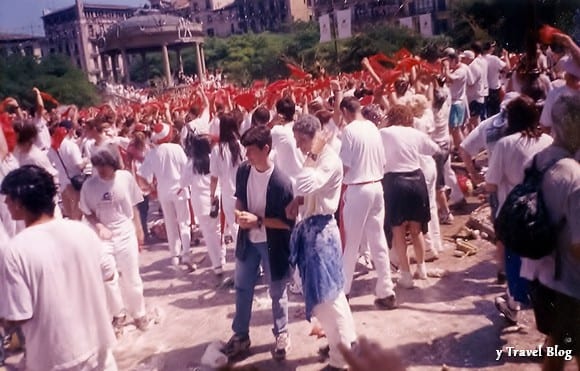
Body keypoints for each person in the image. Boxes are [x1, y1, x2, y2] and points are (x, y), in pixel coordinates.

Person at [0, 165, 117, 371]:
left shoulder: (16, 250)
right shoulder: (82, 231)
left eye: (8, 198)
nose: (5, 203)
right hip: (100, 350)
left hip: (56, 358)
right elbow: (108, 273)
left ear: (20, 203)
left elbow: (20, 314)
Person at [288, 115, 357, 371]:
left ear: (315, 137)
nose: (298, 146)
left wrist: (313, 153)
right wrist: (299, 201)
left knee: (328, 301)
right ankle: (347, 344)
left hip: (321, 234)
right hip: (316, 230)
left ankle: (341, 361)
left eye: (302, 140)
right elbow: (307, 191)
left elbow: (305, 182)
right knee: (333, 297)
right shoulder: (320, 158)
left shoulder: (327, 160)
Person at [222, 125, 294, 361]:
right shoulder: (244, 171)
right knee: (242, 288)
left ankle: (282, 333)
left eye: (251, 151)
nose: (247, 156)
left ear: (266, 149)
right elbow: (240, 198)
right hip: (248, 241)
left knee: (277, 290)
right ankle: (241, 335)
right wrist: (238, 213)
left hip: (272, 244)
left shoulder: (282, 182)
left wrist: (258, 221)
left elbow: (287, 224)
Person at [485, 95, 554, 324]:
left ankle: (514, 304)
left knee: (514, 256)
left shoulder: (505, 144)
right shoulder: (547, 141)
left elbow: (492, 183)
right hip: (545, 206)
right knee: (544, 258)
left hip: (514, 209)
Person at [525, 93, 580, 371]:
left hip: (541, 275)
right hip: (571, 283)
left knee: (558, 347)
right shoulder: (576, 176)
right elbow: (577, 245)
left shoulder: (538, 161)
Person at [80, 145, 149, 335]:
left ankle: (139, 313)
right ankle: (118, 314)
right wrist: (99, 226)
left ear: (112, 164)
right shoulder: (89, 185)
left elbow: (134, 206)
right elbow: (86, 211)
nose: (101, 169)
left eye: (104, 165)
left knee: (131, 276)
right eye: (97, 165)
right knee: (108, 276)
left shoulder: (125, 178)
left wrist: (139, 229)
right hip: (102, 236)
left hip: (125, 232)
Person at [337, 96, 396, 309]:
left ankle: (343, 292)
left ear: (345, 111)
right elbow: (382, 160)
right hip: (376, 185)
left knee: (351, 243)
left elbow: (344, 165)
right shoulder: (372, 127)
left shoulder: (349, 130)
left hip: (358, 187)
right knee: (377, 240)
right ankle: (387, 290)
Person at [381, 105, 440, 288]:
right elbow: (435, 149)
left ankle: (405, 275)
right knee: (417, 230)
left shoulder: (384, 132)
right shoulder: (415, 133)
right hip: (416, 179)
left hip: (395, 181)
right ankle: (421, 269)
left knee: (398, 230)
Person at [139, 122, 194, 270]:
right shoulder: (177, 149)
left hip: (163, 191)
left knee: (170, 223)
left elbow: (141, 175)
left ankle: (174, 256)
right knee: (184, 222)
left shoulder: (153, 152)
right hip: (180, 189)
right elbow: (187, 169)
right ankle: (186, 253)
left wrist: (150, 188)